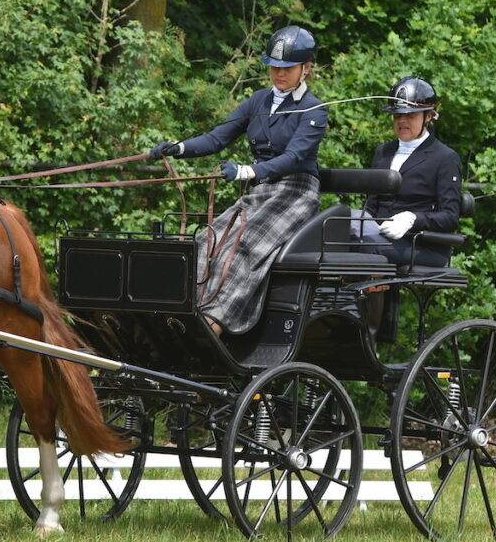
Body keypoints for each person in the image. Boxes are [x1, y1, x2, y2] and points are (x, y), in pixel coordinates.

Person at [149, 25, 327, 336]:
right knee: (207, 241)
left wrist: (248, 171)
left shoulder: (314, 110)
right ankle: (187, 313)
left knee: (245, 245)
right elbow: (217, 138)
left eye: (287, 68)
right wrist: (179, 148)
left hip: (295, 192)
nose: (279, 74)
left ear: (306, 68)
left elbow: (294, 157)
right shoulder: (258, 102)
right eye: (274, 67)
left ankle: (215, 323)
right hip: (260, 191)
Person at [351, 77, 462, 267]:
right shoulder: (383, 152)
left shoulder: (445, 158)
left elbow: (450, 217)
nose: (402, 121)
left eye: (410, 116)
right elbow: (371, 204)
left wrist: (413, 219)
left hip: (420, 244)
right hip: (379, 236)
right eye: (397, 116)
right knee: (335, 236)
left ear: (428, 116)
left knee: (366, 247)